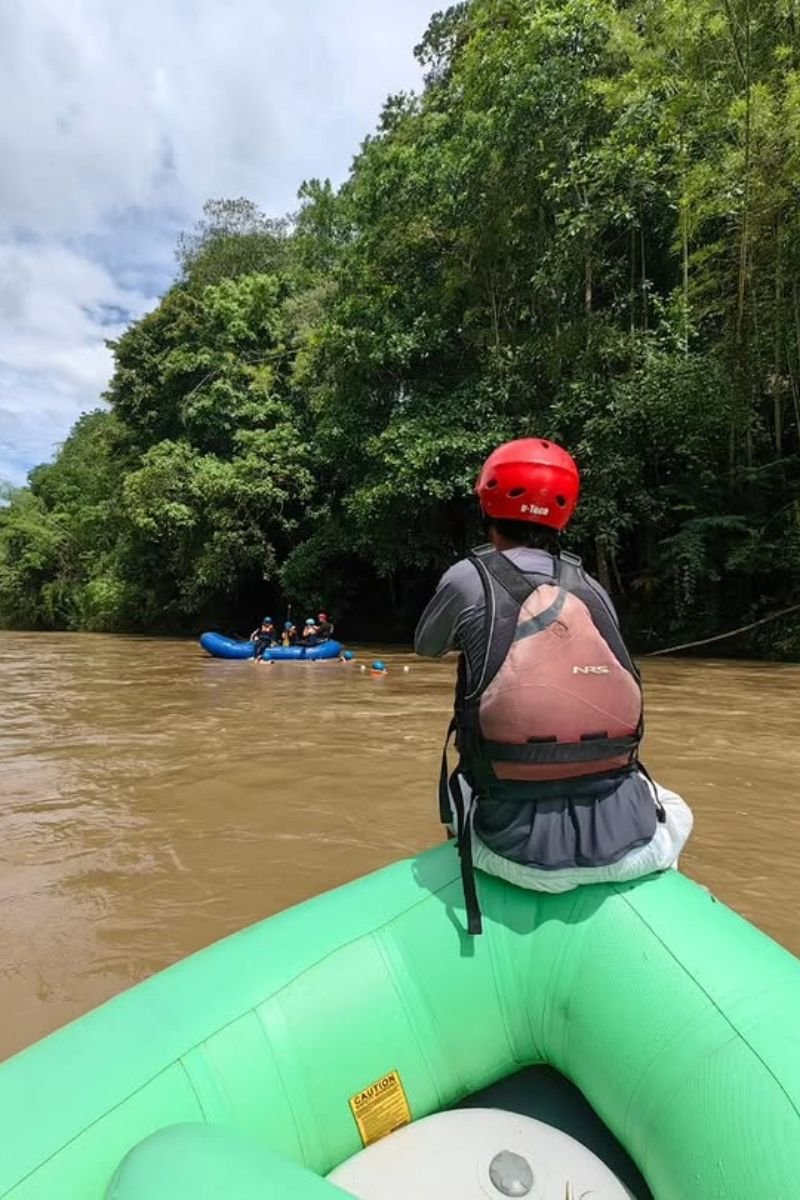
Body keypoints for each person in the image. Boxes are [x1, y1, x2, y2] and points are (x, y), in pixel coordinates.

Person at [414, 437, 693, 935]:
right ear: (563, 514)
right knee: (674, 806)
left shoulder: (466, 577)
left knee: (459, 786)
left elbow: (426, 648)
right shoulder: (592, 587)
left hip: (508, 852)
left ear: (487, 503)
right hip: (631, 842)